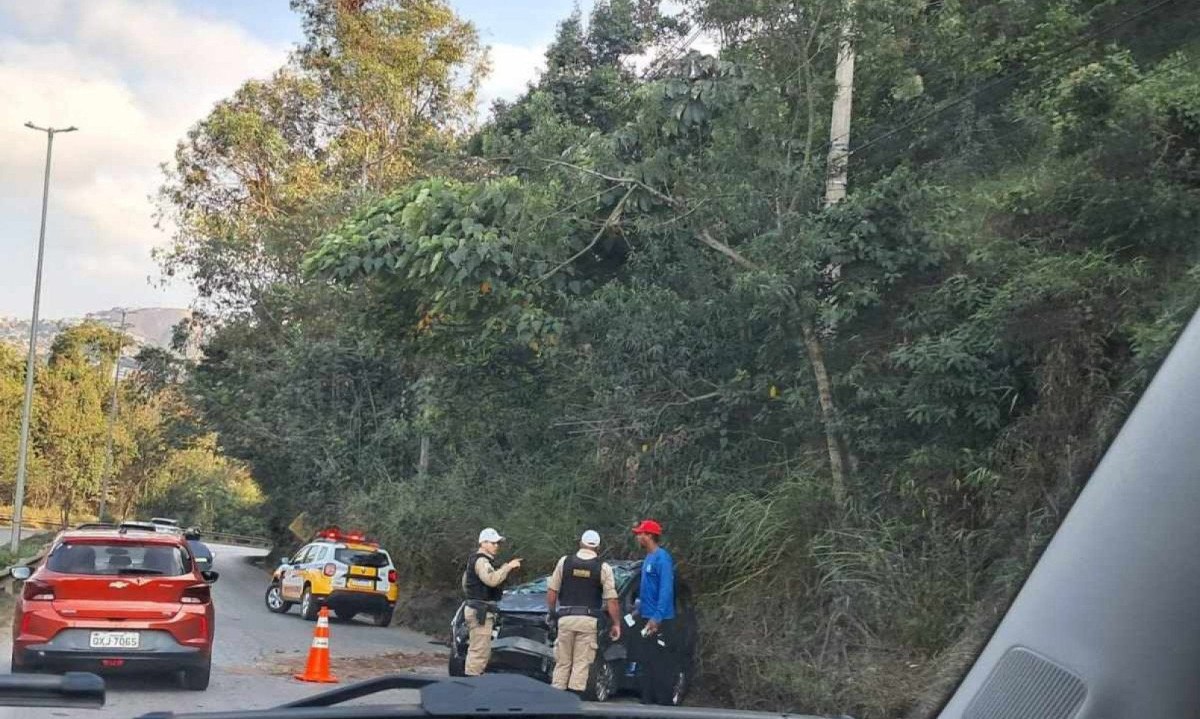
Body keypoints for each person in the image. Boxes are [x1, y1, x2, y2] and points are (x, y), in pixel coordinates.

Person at [546, 530, 621, 694]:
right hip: (588, 621)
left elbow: (552, 591)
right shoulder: (603, 567)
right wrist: (616, 623)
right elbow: (612, 600)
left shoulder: (564, 562)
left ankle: (557, 698)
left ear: (580, 543)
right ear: (598, 547)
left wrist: (552, 613)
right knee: (581, 663)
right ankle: (574, 699)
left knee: (562, 661)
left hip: (566, 618)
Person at [461, 527, 522, 676]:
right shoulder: (482, 561)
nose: (497, 546)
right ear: (483, 543)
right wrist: (508, 567)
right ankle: (472, 686)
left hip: (476, 609)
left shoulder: (475, 560)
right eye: (494, 543)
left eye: (497, 543)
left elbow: (465, 583)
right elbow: (492, 580)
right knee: (479, 652)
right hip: (480, 612)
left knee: (478, 649)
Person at [632, 518, 677, 705]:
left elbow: (666, 590)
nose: (638, 537)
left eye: (640, 534)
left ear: (649, 536)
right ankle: (647, 702)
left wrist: (657, 617)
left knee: (661, 665)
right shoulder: (648, 558)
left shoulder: (662, 558)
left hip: (660, 620)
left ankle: (664, 705)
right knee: (647, 663)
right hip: (645, 617)